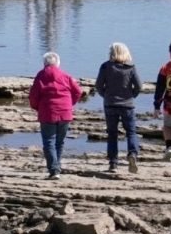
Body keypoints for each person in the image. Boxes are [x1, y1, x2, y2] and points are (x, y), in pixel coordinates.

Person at [27, 50, 86, 179]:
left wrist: (37, 107)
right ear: (58, 63)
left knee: (49, 142)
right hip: (65, 113)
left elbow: (33, 96)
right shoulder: (65, 76)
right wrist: (69, 104)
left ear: (44, 64)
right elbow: (78, 92)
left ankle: (54, 170)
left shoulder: (41, 76)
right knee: (59, 142)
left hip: (48, 113)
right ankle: (56, 167)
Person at [94, 41, 143, 175]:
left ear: (111, 53)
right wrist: (132, 95)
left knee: (112, 134)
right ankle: (132, 153)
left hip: (110, 104)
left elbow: (98, 85)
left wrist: (105, 95)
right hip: (127, 105)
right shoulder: (131, 68)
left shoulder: (105, 66)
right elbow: (139, 86)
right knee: (131, 132)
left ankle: (113, 163)